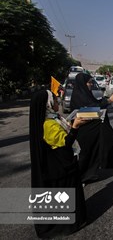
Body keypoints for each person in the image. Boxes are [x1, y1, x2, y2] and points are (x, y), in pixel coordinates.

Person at [29, 90, 87, 238]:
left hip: (62, 163)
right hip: (60, 168)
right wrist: (75, 127)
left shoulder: (53, 118)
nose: (58, 103)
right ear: (47, 104)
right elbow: (66, 143)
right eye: (54, 101)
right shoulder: (48, 124)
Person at [70, 73, 113, 184]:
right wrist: (108, 101)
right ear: (83, 83)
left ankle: (89, 174)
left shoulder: (86, 93)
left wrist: (106, 100)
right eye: (89, 82)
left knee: (93, 153)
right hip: (84, 131)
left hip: (92, 130)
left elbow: (95, 103)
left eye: (91, 82)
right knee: (85, 154)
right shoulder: (79, 95)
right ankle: (79, 177)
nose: (90, 85)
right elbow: (92, 107)